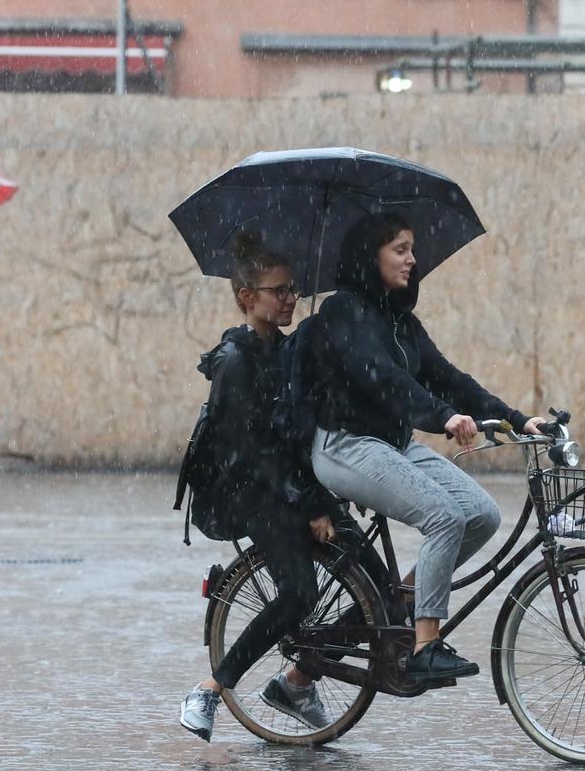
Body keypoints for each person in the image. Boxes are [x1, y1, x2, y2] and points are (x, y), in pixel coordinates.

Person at [309, 212, 547, 684]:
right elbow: (384, 380)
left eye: (412, 249)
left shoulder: (400, 320)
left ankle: (401, 600)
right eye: (400, 249)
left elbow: (448, 377)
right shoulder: (342, 313)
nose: (413, 260)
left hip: (392, 444)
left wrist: (518, 418)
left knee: (481, 515)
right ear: (369, 255)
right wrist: (441, 417)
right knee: (444, 516)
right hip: (346, 444)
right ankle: (425, 645)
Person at [179, 232, 346, 743]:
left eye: (293, 290)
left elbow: (298, 433)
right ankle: (209, 689)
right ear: (247, 299)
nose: (289, 299)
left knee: (370, 585)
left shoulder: (287, 350)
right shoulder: (235, 364)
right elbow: (253, 454)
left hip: (292, 487)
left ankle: (297, 684)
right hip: (251, 494)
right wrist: (310, 504)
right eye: (278, 292)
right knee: (298, 593)